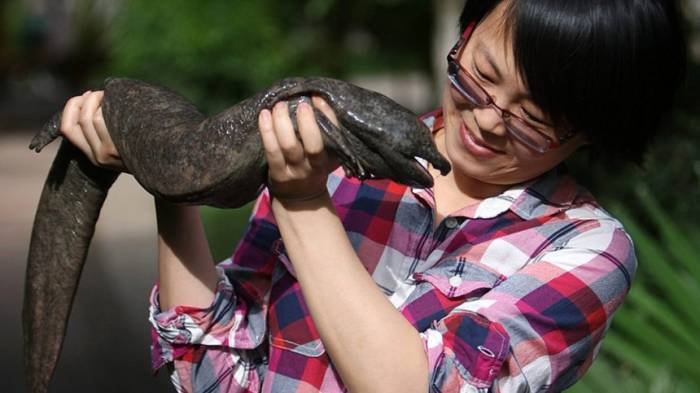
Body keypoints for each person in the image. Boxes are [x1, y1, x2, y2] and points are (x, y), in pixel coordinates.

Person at [58, 0, 686, 391]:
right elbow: (209, 368)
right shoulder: (331, 154)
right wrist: (171, 174)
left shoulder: (588, 252)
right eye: (481, 77)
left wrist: (303, 204)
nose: (490, 120)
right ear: (464, 33)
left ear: (596, 133)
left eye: (536, 115)